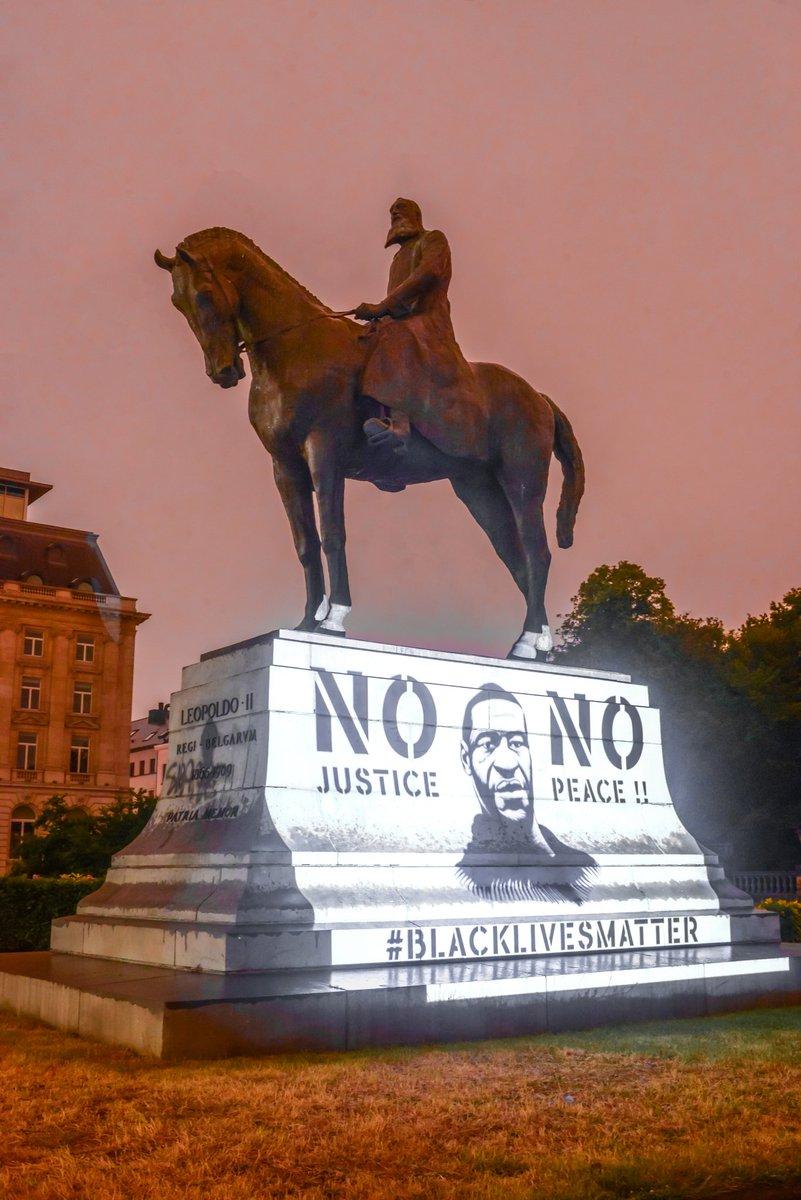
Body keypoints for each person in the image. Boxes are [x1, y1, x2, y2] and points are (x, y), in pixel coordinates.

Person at [353, 198, 488, 461]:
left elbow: (428, 274)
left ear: (416, 215)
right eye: (392, 213)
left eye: (400, 211)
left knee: (396, 335)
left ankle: (400, 427)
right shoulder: (398, 258)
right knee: (362, 340)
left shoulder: (433, 240)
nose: (394, 215)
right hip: (399, 322)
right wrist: (375, 318)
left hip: (428, 322)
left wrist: (382, 307)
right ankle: (377, 431)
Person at [458, 683, 596, 902]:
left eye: (516, 743)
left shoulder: (584, 865)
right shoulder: (469, 878)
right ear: (466, 759)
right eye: (487, 744)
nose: (507, 762)